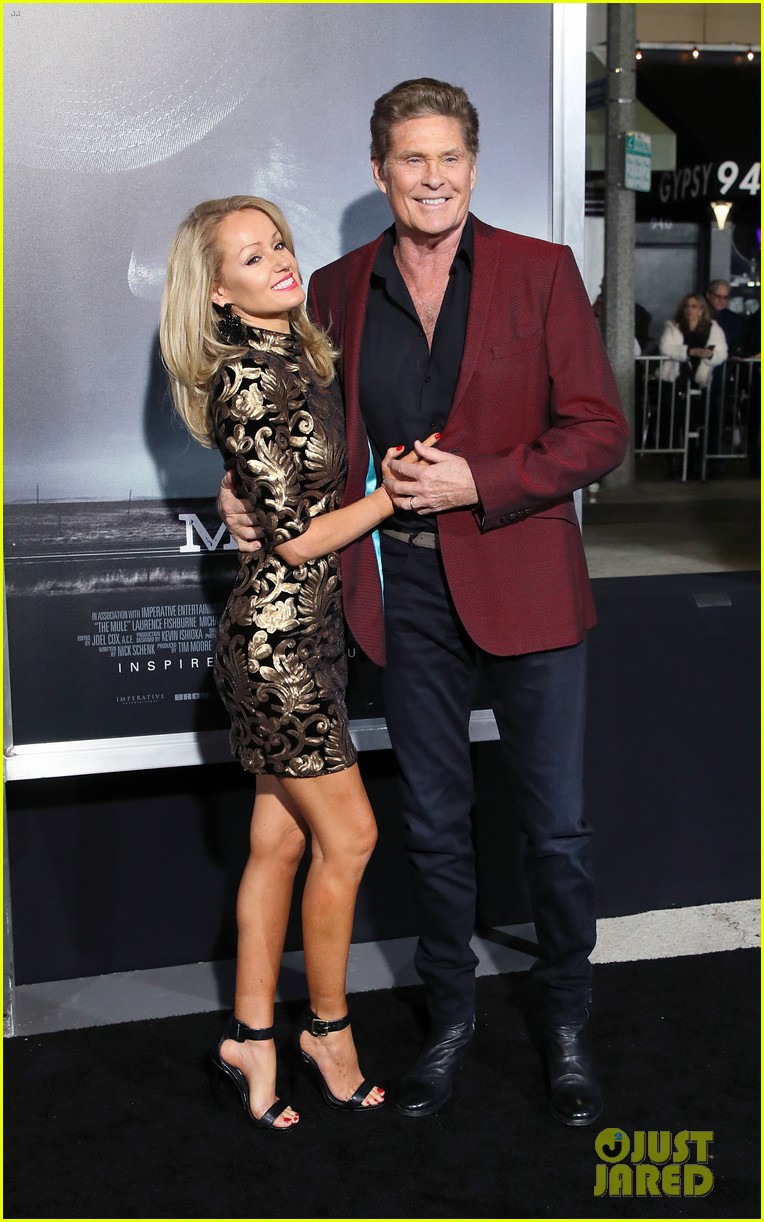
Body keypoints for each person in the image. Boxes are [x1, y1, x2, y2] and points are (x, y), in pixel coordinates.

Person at [219, 79, 629, 1127]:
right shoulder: (335, 288)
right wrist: (241, 485)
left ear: (473, 166)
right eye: (412, 158)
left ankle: (566, 1023)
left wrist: (479, 480)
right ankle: (450, 1021)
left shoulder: (541, 270)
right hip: (400, 589)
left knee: (556, 829)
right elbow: (295, 423)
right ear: (379, 171)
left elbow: (598, 430)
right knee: (436, 825)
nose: (433, 177)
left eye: (450, 157)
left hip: (525, 578)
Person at [160, 195, 437, 1131]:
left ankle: (250, 1038)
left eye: (277, 242)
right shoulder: (246, 375)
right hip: (277, 648)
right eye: (251, 256)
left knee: (277, 845)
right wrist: (395, 497)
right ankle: (327, 1030)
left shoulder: (301, 353)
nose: (279, 260)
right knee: (350, 840)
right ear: (217, 292)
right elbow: (293, 539)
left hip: (308, 638)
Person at [659, 293, 728, 477]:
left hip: (701, 382)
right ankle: (674, 463)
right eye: (687, 306)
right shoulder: (673, 326)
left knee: (697, 424)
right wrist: (688, 351)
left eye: (694, 306)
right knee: (673, 423)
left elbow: (721, 352)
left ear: (701, 310)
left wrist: (709, 355)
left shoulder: (713, 328)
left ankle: (695, 465)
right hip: (677, 380)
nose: (690, 310)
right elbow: (666, 347)